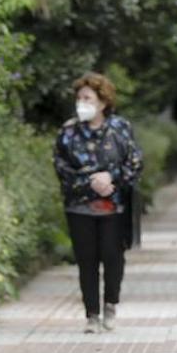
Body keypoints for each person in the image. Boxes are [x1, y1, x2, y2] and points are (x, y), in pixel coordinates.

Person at [53, 72, 143, 333]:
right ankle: (91, 313)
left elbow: (135, 163)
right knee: (86, 259)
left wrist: (111, 178)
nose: (82, 102)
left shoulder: (120, 129)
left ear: (103, 102)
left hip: (114, 206)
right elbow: (61, 167)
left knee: (113, 256)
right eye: (79, 98)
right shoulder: (68, 132)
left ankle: (111, 304)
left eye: (88, 98)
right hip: (79, 205)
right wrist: (91, 181)